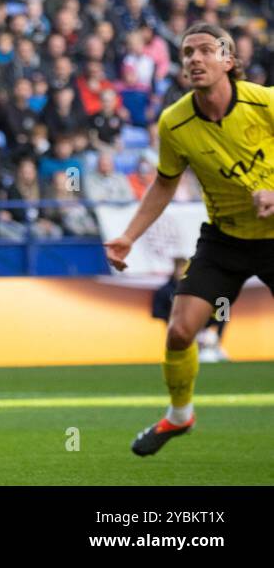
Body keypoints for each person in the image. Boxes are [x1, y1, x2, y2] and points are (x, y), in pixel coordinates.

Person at [104, 24, 274, 457]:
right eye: (186, 53)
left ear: (228, 61)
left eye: (204, 51)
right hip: (225, 239)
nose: (194, 59)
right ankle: (179, 416)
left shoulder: (265, 103)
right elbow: (163, 184)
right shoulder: (175, 122)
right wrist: (128, 236)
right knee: (179, 331)